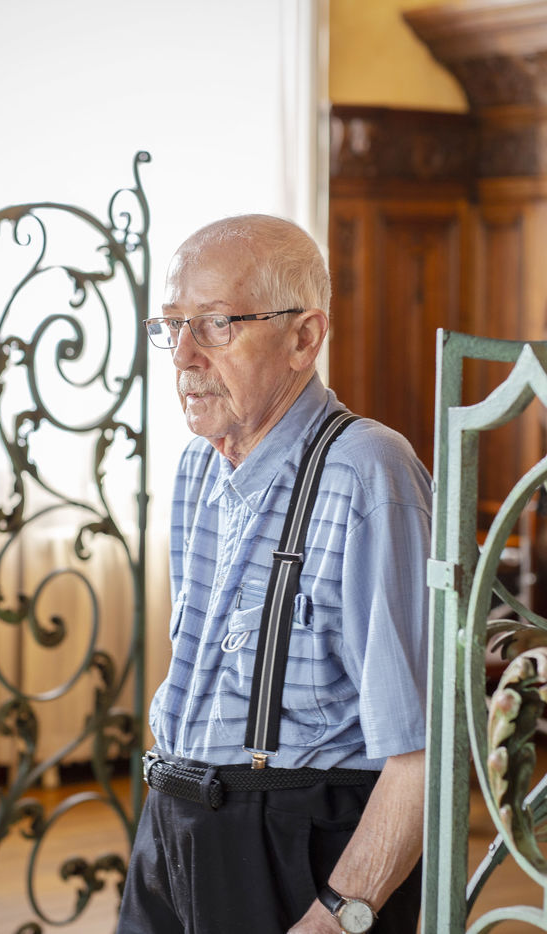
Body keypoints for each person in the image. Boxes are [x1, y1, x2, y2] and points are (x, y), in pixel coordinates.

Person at [116, 214, 432, 933]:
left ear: (303, 339)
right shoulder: (197, 466)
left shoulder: (366, 473)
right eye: (172, 325)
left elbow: (422, 751)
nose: (183, 354)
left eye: (216, 324)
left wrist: (339, 914)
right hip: (172, 827)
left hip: (297, 849)